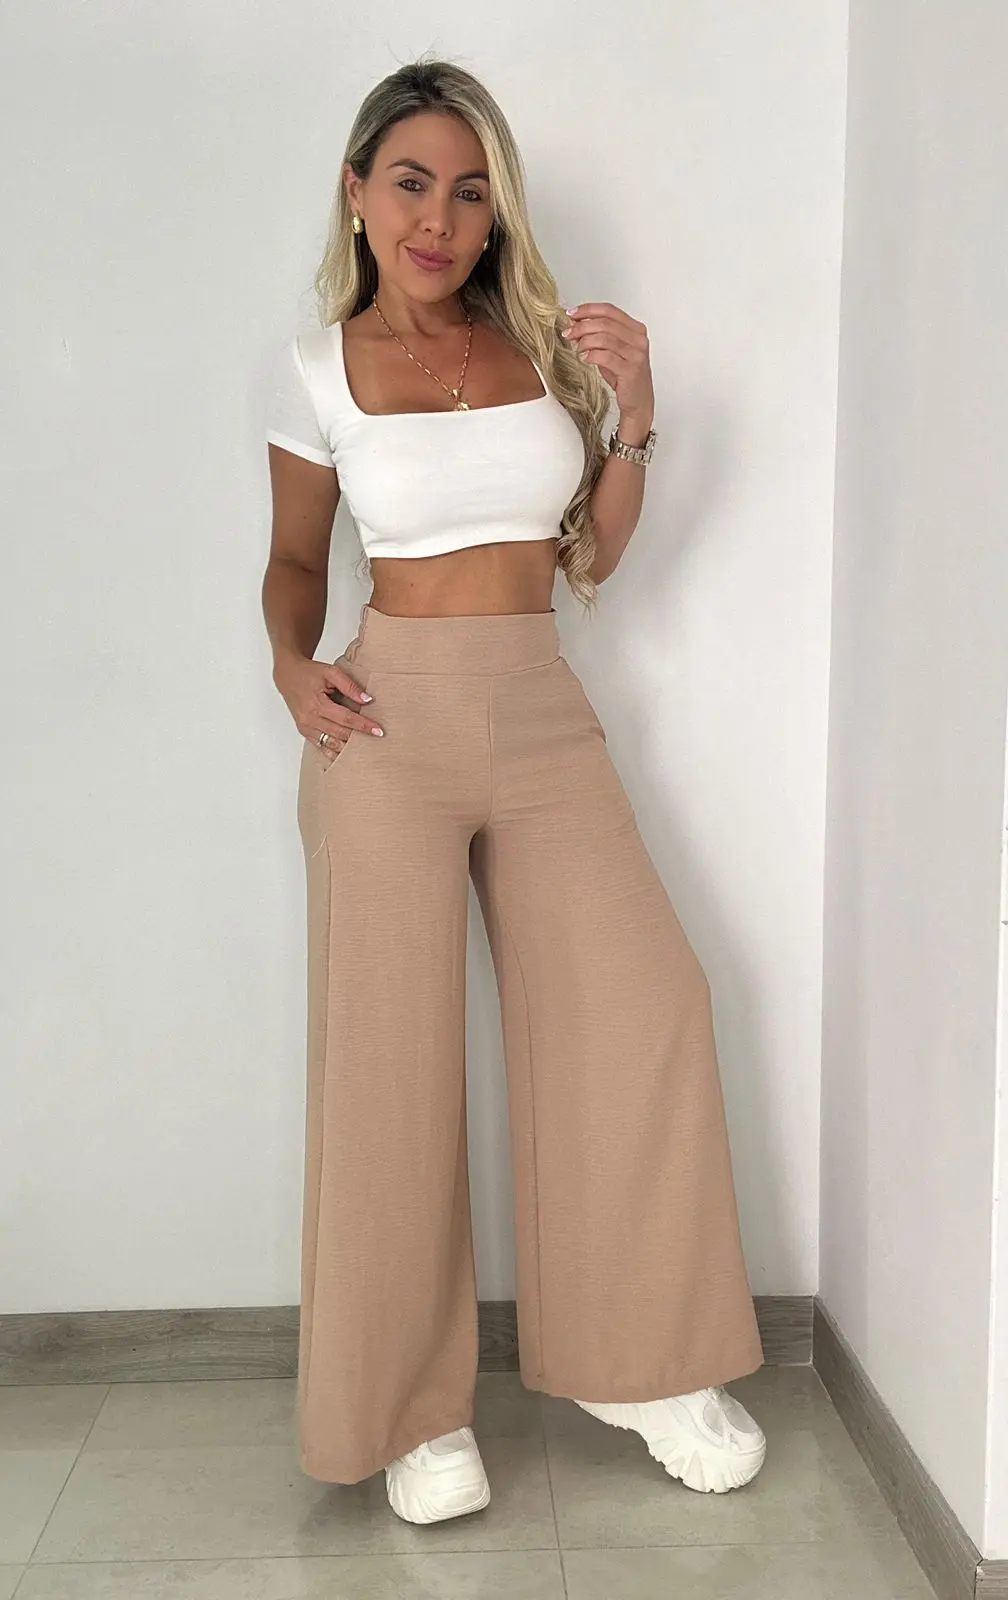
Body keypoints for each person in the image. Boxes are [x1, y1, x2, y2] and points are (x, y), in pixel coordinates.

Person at [262, 56, 766, 1526]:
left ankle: (642, 1361)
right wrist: (291, 665)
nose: (440, 218)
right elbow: (294, 559)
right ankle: (414, 1414)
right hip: (386, 725)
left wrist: (636, 411)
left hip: (542, 708)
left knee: (650, 1000)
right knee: (390, 1074)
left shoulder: (536, 349)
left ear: (497, 214)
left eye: (471, 191)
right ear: (359, 194)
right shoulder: (315, 371)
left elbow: (589, 552)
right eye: (412, 183)